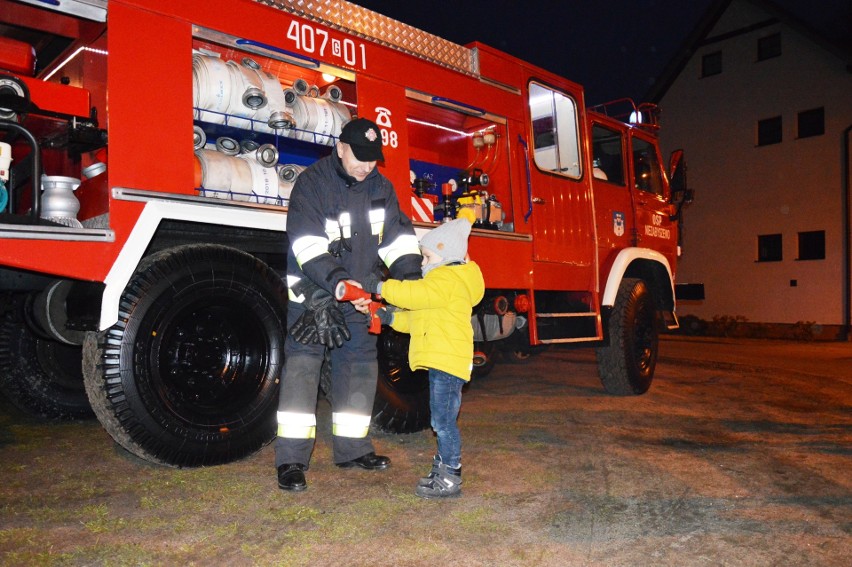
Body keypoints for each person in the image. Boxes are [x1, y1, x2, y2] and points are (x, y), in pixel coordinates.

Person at [275, 118, 422, 492]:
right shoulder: (312, 184)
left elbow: (399, 241)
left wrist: (409, 280)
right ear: (340, 147)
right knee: (303, 372)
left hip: (358, 300)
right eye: (360, 157)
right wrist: (340, 285)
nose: (366, 166)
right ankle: (291, 460)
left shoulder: (381, 188)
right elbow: (307, 246)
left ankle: (354, 449)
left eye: (373, 159)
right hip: (315, 297)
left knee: (359, 368)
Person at [363, 218, 484, 498]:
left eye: (427, 256)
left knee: (443, 422)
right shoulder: (444, 285)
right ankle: (443, 468)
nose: (422, 263)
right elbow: (419, 317)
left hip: (447, 362)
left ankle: (450, 474)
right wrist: (391, 317)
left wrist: (381, 288)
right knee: (441, 419)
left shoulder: (447, 279)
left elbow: (415, 295)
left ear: (445, 253)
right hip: (443, 361)